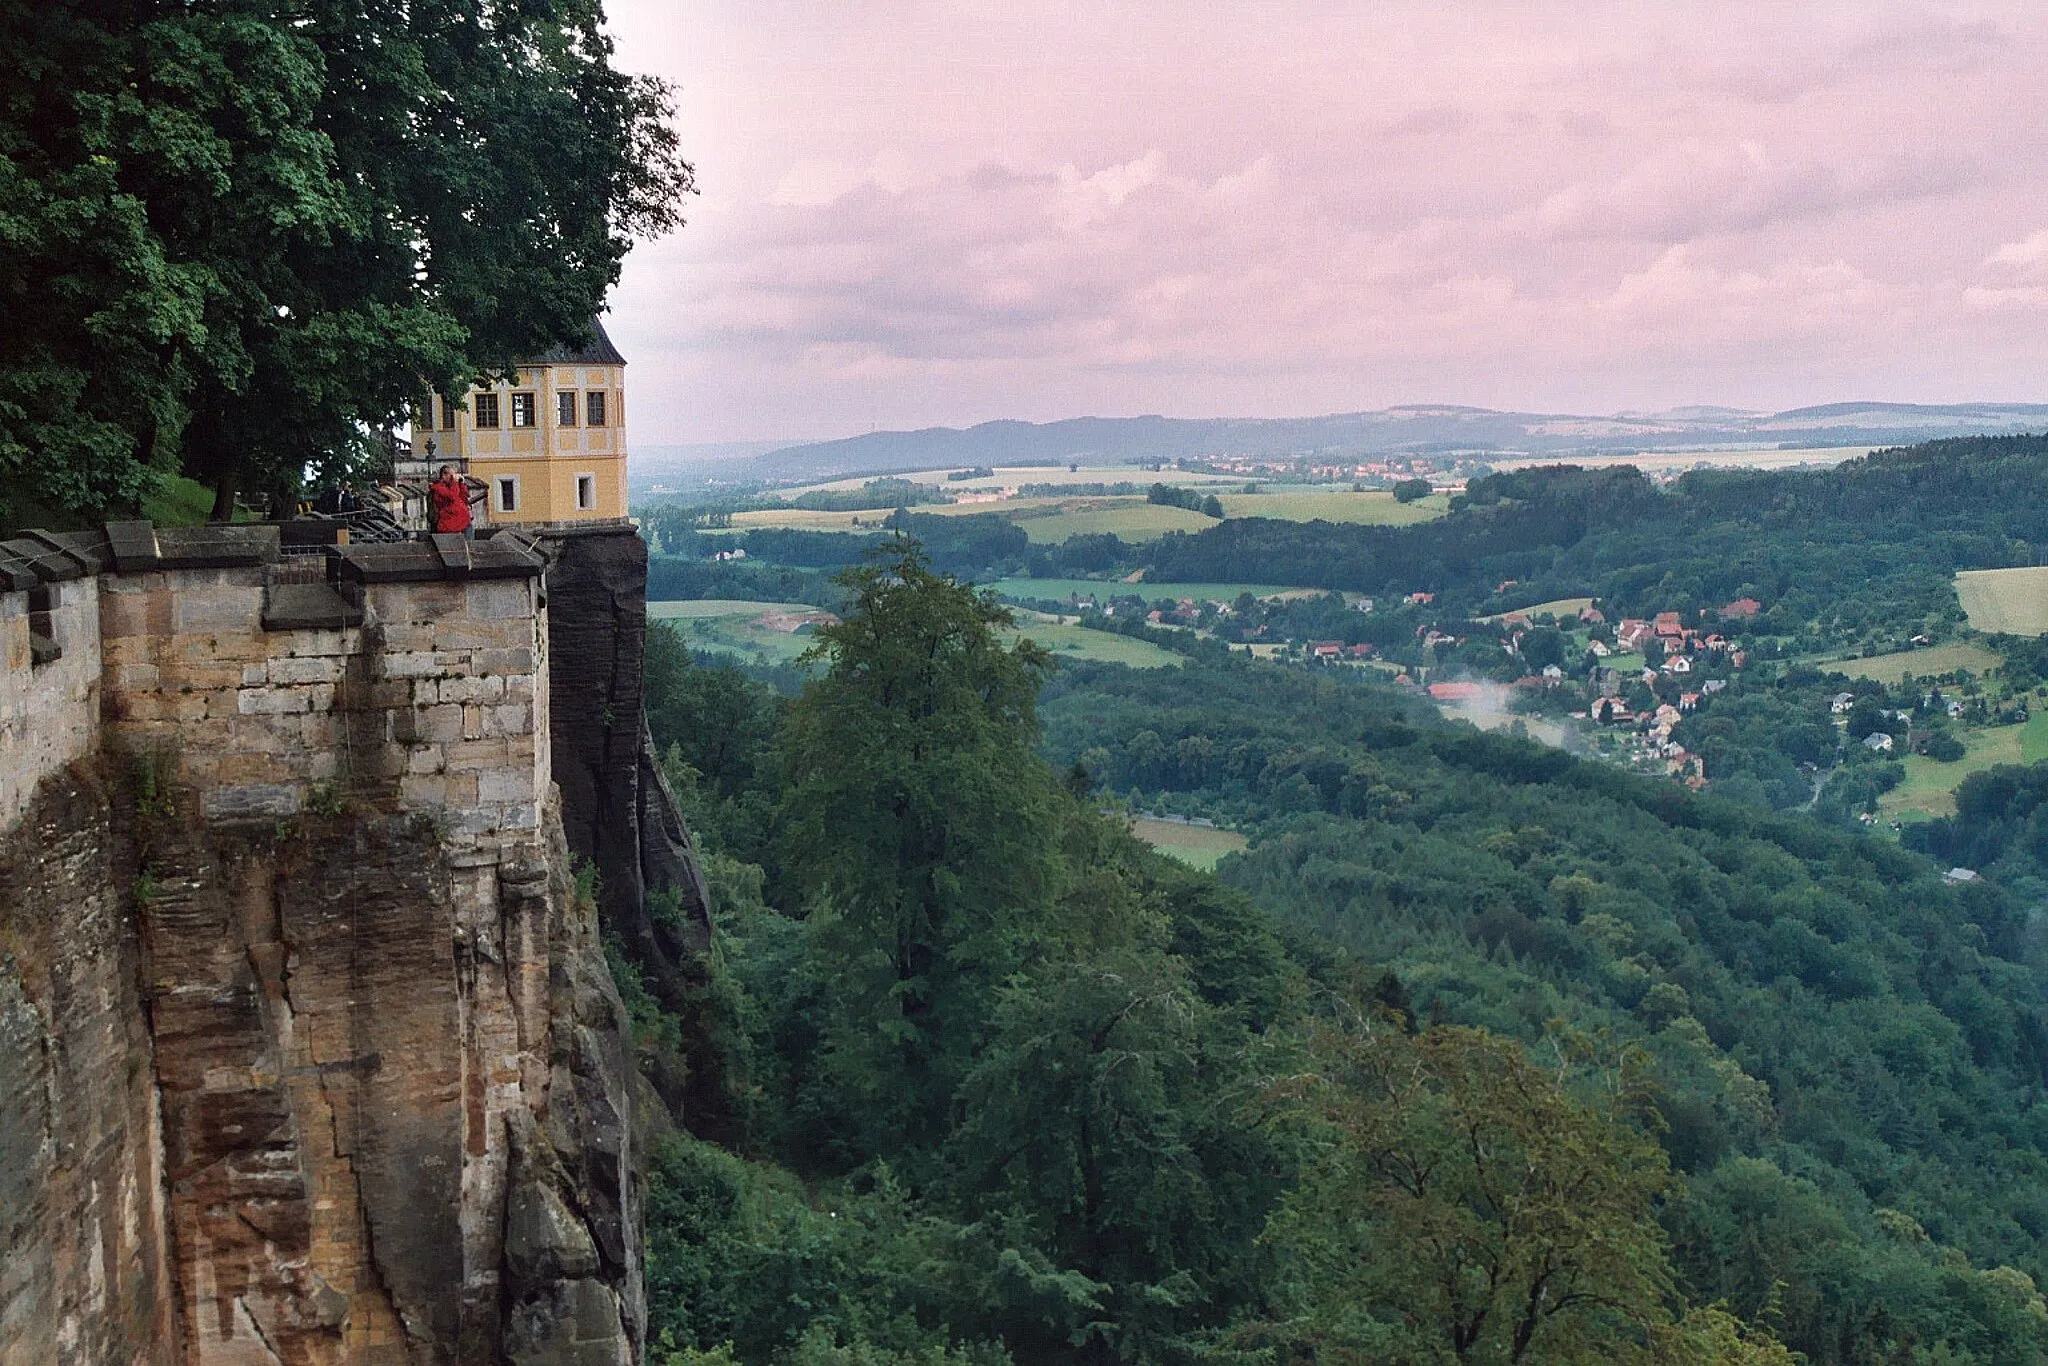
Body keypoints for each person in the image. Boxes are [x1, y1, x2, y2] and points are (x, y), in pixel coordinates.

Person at [429, 465, 472, 537]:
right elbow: (452, 497)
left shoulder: (452, 486)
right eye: (451, 475)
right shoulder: (438, 488)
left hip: (463, 523)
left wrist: (461, 484)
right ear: (444, 475)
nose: (453, 478)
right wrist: (454, 482)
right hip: (450, 527)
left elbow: (464, 497)